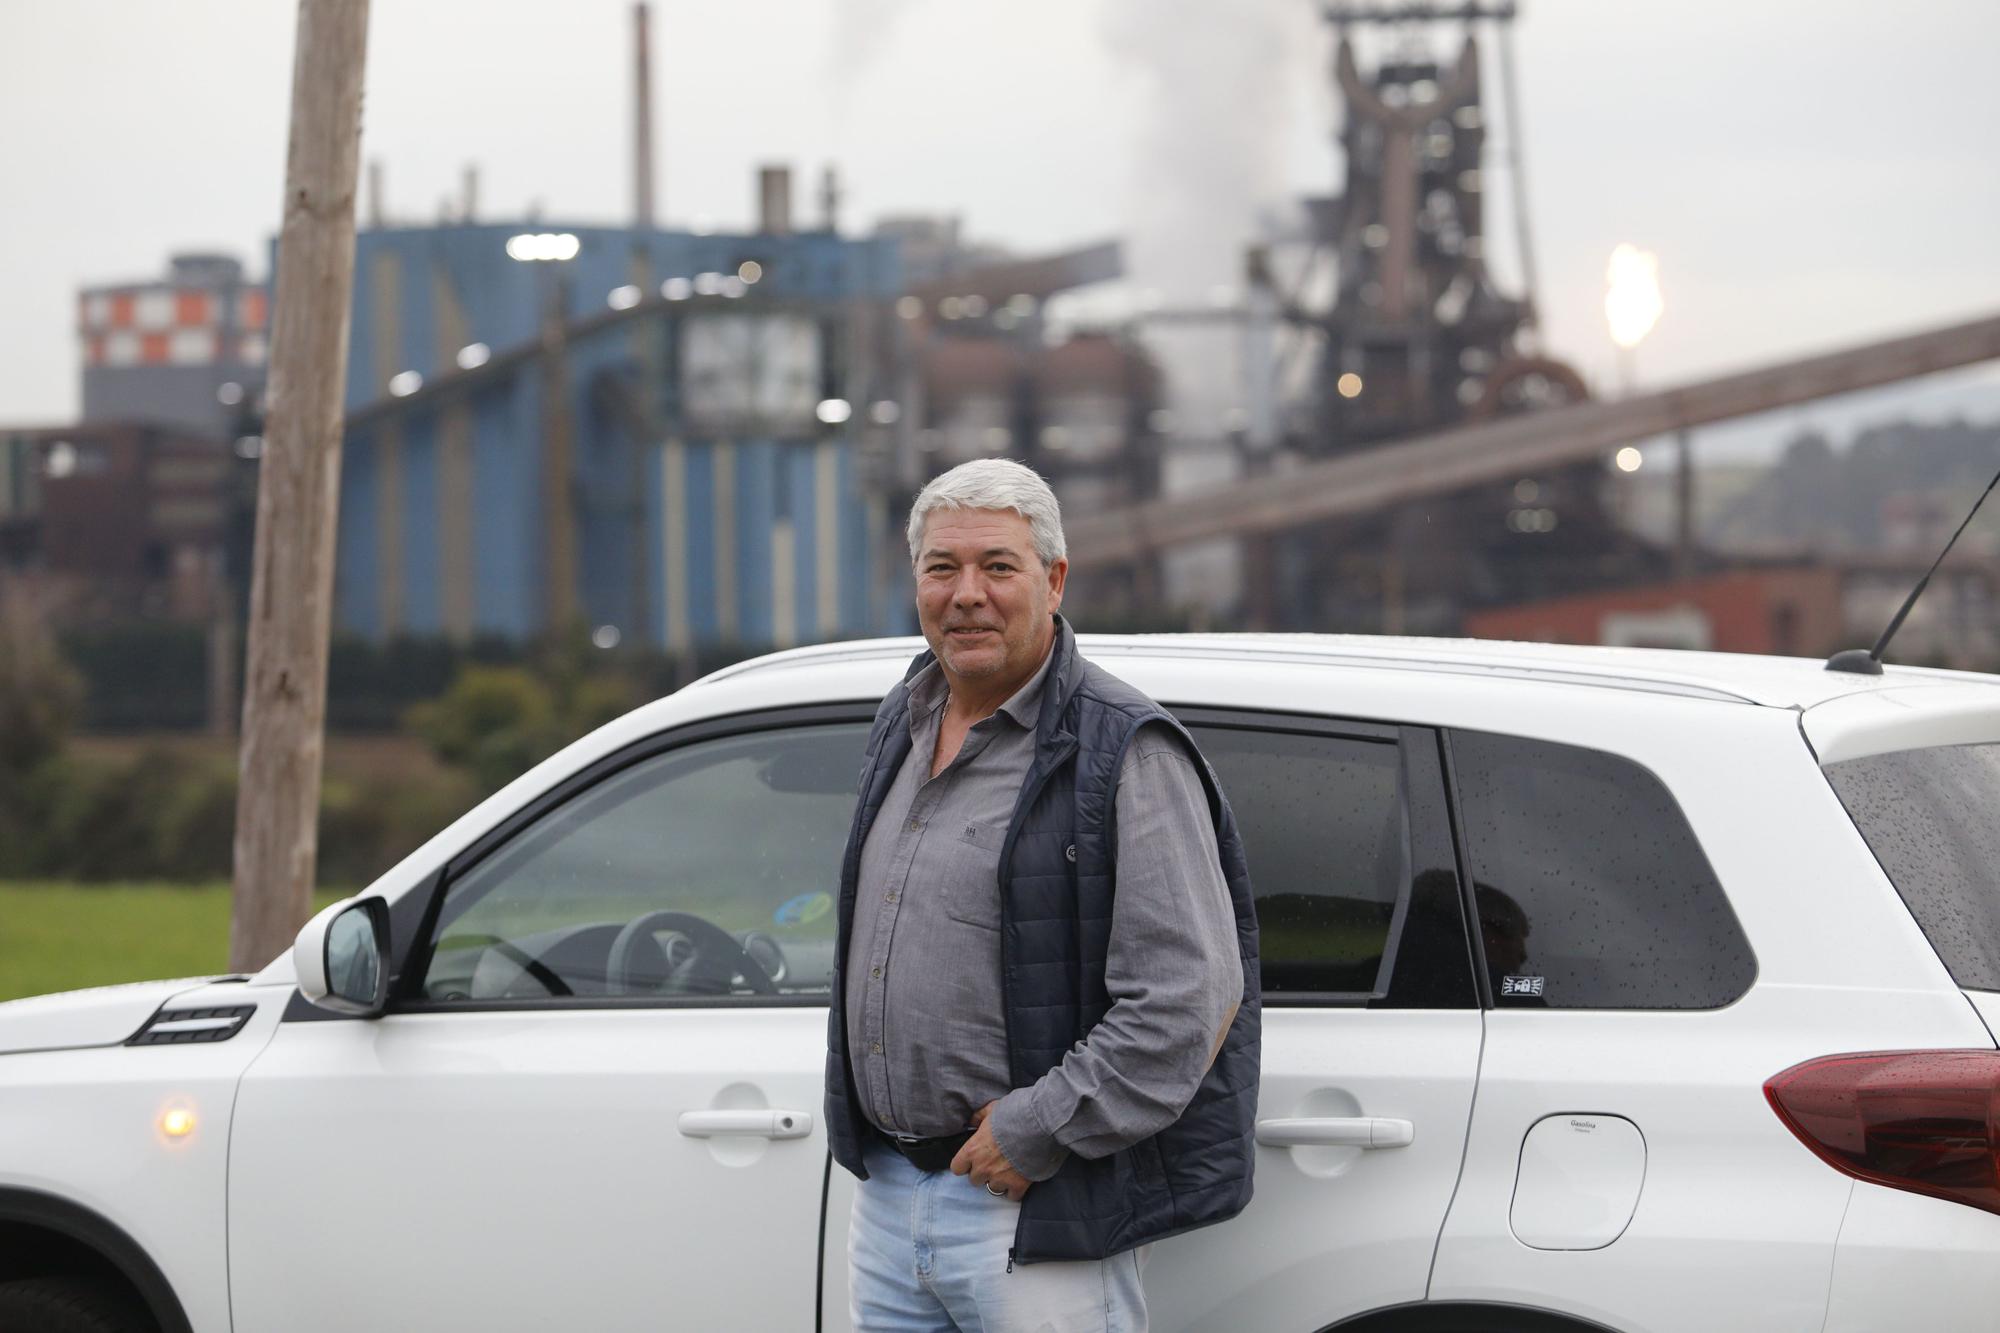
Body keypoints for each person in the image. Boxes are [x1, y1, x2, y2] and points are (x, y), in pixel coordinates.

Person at [825, 459, 1261, 1332]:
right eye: (942, 568)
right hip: (888, 1200)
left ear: (1054, 580)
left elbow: (1188, 996)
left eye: (998, 566)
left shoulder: (1121, 750)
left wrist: (1039, 1127)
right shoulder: (904, 717)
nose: (966, 594)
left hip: (1027, 1211)